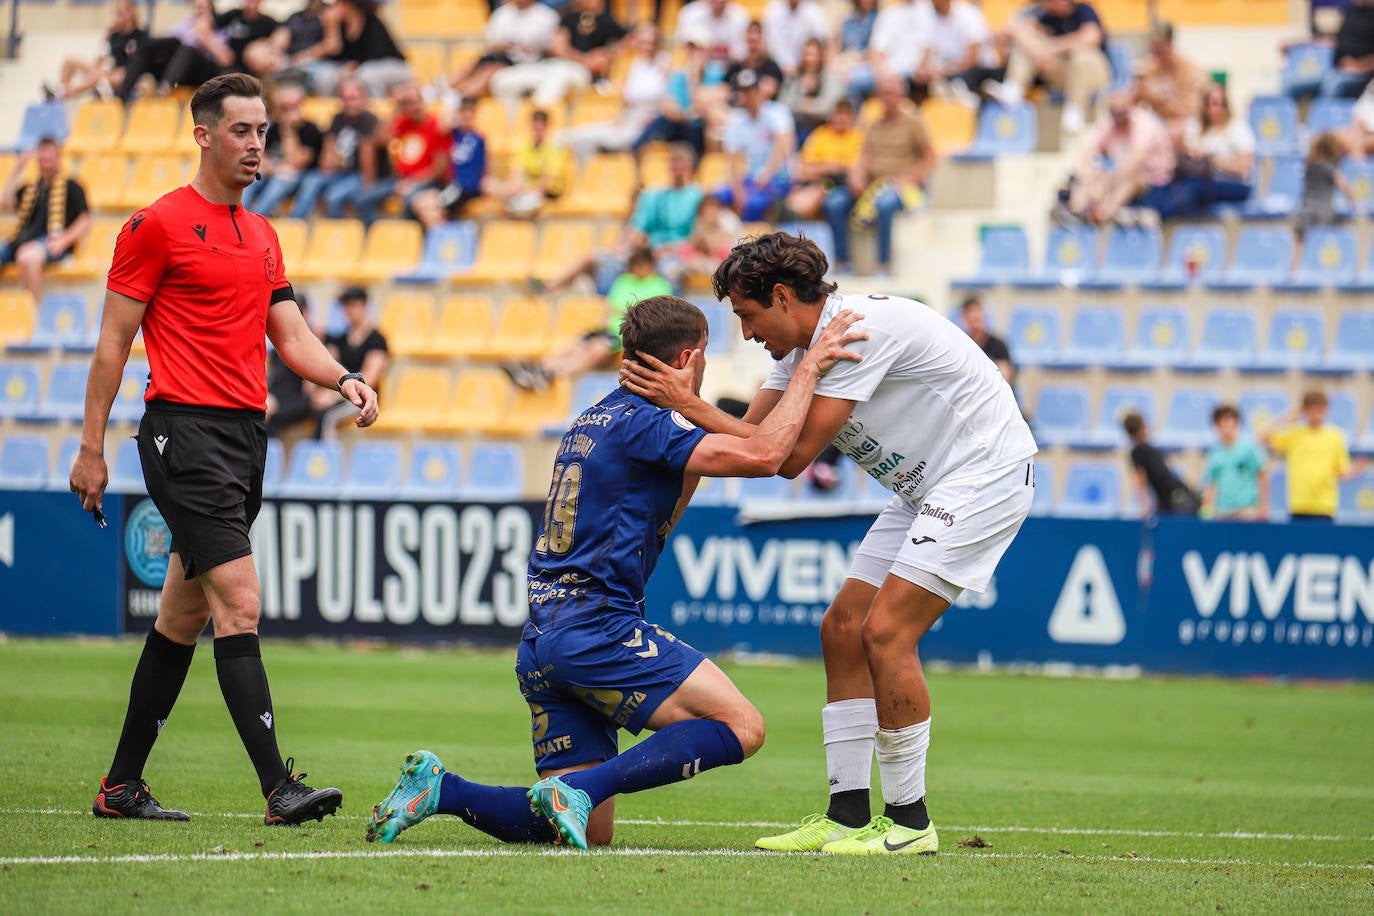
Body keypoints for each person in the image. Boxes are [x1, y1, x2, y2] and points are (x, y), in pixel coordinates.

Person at [365, 295, 866, 850]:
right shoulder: (647, 424)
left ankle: (441, 791)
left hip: (543, 640)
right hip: (596, 628)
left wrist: (693, 411)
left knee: (587, 833)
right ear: (687, 359)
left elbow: (664, 511)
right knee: (743, 727)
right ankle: (581, 789)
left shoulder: (592, 419)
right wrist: (812, 365)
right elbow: (770, 456)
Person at [620, 232, 1038, 855]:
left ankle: (910, 822)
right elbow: (750, 440)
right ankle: (846, 814)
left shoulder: (860, 331)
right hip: (927, 487)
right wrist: (690, 415)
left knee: (886, 632)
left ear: (783, 297)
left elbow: (788, 459)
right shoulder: (804, 354)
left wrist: (688, 404)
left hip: (985, 474)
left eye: (748, 314)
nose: (749, 333)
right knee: (842, 627)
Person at [70, 73, 379, 824]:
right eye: (241, 130)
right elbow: (113, 343)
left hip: (244, 439)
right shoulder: (156, 226)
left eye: (263, 131)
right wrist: (90, 449)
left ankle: (121, 787)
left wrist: (345, 378)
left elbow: (292, 334)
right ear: (203, 135)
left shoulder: (262, 233)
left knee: (182, 616)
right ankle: (281, 789)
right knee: (240, 603)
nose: (256, 144)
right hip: (183, 431)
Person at [504, 246, 674, 392]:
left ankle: (553, 374)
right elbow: (609, 308)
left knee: (597, 348)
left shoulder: (660, 285)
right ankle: (539, 368)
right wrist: (598, 328)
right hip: (610, 330)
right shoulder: (624, 280)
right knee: (576, 343)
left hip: (628, 337)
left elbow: (655, 319)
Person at [823, 73, 935, 275]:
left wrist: (910, 178)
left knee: (885, 203)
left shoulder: (913, 122)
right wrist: (856, 176)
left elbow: (930, 157)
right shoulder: (873, 125)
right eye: (884, 93)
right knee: (835, 202)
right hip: (872, 184)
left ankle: (883, 264)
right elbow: (864, 156)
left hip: (901, 186)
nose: (888, 97)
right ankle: (843, 262)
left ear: (902, 95)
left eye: (892, 93)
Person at [986, 0, 1112, 135]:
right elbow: (1009, 34)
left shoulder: (1084, 10)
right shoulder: (1042, 15)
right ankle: (1014, 88)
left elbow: (1091, 37)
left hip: (1093, 73)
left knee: (1081, 56)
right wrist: (1039, 52)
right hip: (1061, 73)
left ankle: (1075, 109)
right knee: (1025, 45)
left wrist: (1053, 48)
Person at [1060, 90, 1174, 227]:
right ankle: (1075, 212)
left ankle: (1103, 213)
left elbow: (1134, 161)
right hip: (1119, 173)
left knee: (1129, 178)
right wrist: (1087, 174)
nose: (1118, 117)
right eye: (1114, 112)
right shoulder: (1109, 122)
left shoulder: (1144, 124)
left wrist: (1107, 184)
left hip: (1153, 180)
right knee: (1092, 175)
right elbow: (1089, 151)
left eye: (1122, 112)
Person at [489, 0, 626, 110]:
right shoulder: (569, 17)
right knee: (502, 80)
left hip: (580, 73)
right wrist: (585, 59)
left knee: (557, 80)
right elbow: (557, 48)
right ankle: (514, 128)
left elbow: (629, 41)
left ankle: (536, 118)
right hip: (554, 65)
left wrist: (607, 54)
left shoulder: (609, 23)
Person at [0, 137, 91, 300]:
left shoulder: (72, 186)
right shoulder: (30, 188)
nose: (45, 161)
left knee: (26, 256)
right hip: (21, 241)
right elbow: (5, 202)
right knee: (22, 252)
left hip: (51, 243)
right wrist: (18, 168)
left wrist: (64, 240)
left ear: (58, 157)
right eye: (42, 157)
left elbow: (84, 220)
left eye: (49, 156)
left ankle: (31, 314)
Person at [288, 78, 391, 223]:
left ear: (364, 98)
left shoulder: (370, 120)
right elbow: (329, 148)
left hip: (359, 175)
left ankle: (338, 235)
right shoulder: (338, 118)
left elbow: (368, 156)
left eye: (354, 98)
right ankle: (295, 222)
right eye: (346, 99)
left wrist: (368, 187)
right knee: (313, 179)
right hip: (341, 172)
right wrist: (326, 171)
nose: (350, 103)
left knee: (333, 196)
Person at [1261, 390, 1359, 523]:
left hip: (1324, 507)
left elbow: (1341, 472)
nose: (1316, 414)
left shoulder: (1335, 436)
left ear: (1326, 409)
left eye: (1320, 410)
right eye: (1312, 410)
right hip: (1298, 505)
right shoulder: (1295, 434)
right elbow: (1263, 437)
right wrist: (1285, 418)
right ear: (1304, 411)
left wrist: (1354, 472)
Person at [717, 68, 795, 222]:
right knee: (714, 198)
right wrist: (736, 188)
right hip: (750, 178)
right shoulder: (736, 120)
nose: (746, 95)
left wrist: (765, 176)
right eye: (742, 91)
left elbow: (784, 146)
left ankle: (749, 243)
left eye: (750, 90)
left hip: (778, 178)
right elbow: (732, 159)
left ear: (759, 90)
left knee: (752, 203)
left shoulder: (777, 112)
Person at [313, 287, 389, 438]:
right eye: (346, 306)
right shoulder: (341, 339)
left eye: (352, 305)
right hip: (344, 391)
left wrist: (335, 395)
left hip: (363, 396)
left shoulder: (376, 340)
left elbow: (370, 379)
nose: (348, 311)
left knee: (327, 416)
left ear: (363, 307)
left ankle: (327, 459)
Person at [240, 81, 323, 217]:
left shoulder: (310, 129)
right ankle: (236, 215)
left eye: (292, 108)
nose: (288, 113)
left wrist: (289, 130)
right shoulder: (274, 127)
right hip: (276, 171)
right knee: (252, 178)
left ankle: (255, 218)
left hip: (300, 177)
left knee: (282, 180)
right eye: (285, 108)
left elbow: (296, 163)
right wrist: (274, 168)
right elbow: (262, 157)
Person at [451, 0, 561, 101]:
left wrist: (529, 48)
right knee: (470, 67)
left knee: (489, 72)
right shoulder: (502, 13)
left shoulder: (547, 16)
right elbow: (489, 42)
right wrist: (502, 46)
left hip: (524, 62)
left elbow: (550, 48)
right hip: (498, 56)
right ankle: (445, 93)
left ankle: (460, 99)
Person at [410, 97, 489, 228]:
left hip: (465, 186)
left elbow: (485, 167)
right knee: (421, 202)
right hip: (451, 185)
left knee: (431, 209)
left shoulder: (478, 139)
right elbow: (442, 125)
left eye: (469, 113)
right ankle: (442, 235)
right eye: (463, 113)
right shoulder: (454, 134)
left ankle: (442, 239)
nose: (466, 117)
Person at [377, 81, 451, 219]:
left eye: (416, 101)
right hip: (401, 180)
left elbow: (439, 168)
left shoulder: (437, 126)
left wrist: (411, 182)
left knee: (409, 199)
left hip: (428, 182)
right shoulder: (404, 122)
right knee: (364, 198)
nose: (414, 107)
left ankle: (408, 237)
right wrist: (397, 109)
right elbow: (380, 139)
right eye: (408, 103)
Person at [49, 0, 147, 101]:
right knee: (70, 61)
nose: (117, 18)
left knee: (101, 77)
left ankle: (61, 94)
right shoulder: (115, 35)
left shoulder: (140, 36)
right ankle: (62, 94)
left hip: (125, 76)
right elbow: (99, 61)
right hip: (108, 73)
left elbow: (139, 64)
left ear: (131, 12)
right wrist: (107, 35)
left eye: (120, 13)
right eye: (116, 13)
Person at [784, 99, 863, 220]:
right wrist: (830, 166)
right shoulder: (820, 134)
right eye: (838, 114)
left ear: (852, 118)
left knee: (824, 198)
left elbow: (850, 171)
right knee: (791, 196)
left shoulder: (857, 138)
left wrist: (823, 168)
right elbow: (802, 169)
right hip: (814, 182)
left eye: (846, 114)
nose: (841, 118)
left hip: (839, 186)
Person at [488, 108, 571, 217]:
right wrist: (512, 188)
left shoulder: (554, 148)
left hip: (546, 193)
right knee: (490, 185)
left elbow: (546, 183)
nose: (536, 131)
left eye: (539, 128)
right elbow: (516, 173)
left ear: (546, 127)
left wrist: (524, 188)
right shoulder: (524, 146)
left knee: (524, 203)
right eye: (534, 127)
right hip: (524, 190)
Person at [1133, 22, 1205, 144]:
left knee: (1170, 132)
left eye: (1159, 47)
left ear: (1169, 43)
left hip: (1187, 123)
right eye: (1153, 48)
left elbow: (1193, 112)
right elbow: (1132, 105)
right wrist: (1138, 91)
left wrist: (1160, 100)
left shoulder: (1190, 71)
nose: (1155, 53)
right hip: (1158, 123)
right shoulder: (1150, 68)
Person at [1292, 132, 1354, 266]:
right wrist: (1353, 201)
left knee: (1300, 243)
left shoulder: (1310, 166)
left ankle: (1295, 269)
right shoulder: (1330, 166)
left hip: (1305, 209)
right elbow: (1343, 185)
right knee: (1321, 243)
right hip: (1323, 211)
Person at [1121, 412, 1200, 517]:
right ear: (1143, 428)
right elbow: (1141, 479)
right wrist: (1145, 505)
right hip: (1176, 497)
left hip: (1176, 499)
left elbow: (1141, 480)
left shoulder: (1140, 451)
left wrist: (1144, 507)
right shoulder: (1143, 450)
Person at [1199, 404, 1268, 521]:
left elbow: (1262, 475)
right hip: (1222, 509)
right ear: (1217, 426)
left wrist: (1264, 506)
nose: (1227, 429)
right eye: (1223, 425)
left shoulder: (1249, 448)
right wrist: (1206, 508)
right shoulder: (1214, 454)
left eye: (1230, 424)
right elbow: (1211, 483)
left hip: (1247, 508)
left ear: (1237, 424)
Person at [761, 0, 831, 77]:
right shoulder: (772, 9)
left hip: (807, 73)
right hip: (776, 71)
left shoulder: (815, 12)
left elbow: (824, 46)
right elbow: (765, 45)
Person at [958, 296, 1013, 385]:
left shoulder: (998, 345)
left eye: (978, 311)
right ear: (963, 317)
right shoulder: (961, 345)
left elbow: (1004, 378)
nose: (975, 315)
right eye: (970, 312)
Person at [674, 0, 750, 65]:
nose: (718, 3)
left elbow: (741, 54)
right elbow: (683, 50)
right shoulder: (689, 13)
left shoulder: (740, 16)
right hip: (695, 68)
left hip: (729, 70)